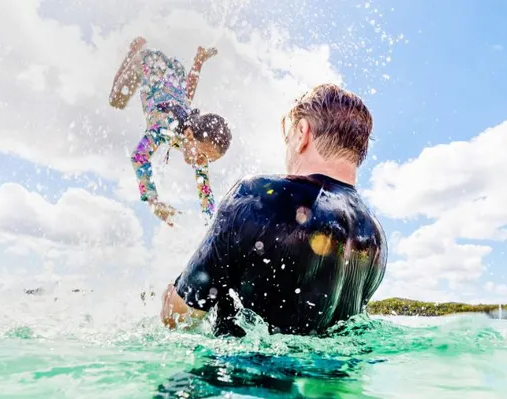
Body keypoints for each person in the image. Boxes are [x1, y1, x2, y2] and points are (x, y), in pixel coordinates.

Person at [159, 83, 387, 336]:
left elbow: (178, 317)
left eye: (288, 138)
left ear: (303, 133)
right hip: (330, 375)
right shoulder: (375, 235)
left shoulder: (256, 196)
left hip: (238, 374)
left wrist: (169, 293)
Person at [109, 37, 232, 225]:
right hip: (147, 63)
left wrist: (212, 222)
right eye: (202, 157)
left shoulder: (196, 142)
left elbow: (205, 190)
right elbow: (139, 156)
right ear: (189, 136)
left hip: (172, 82)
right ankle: (133, 50)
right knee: (116, 100)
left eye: (206, 161)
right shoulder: (163, 127)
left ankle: (198, 60)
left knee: (185, 101)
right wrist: (153, 200)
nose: (201, 164)